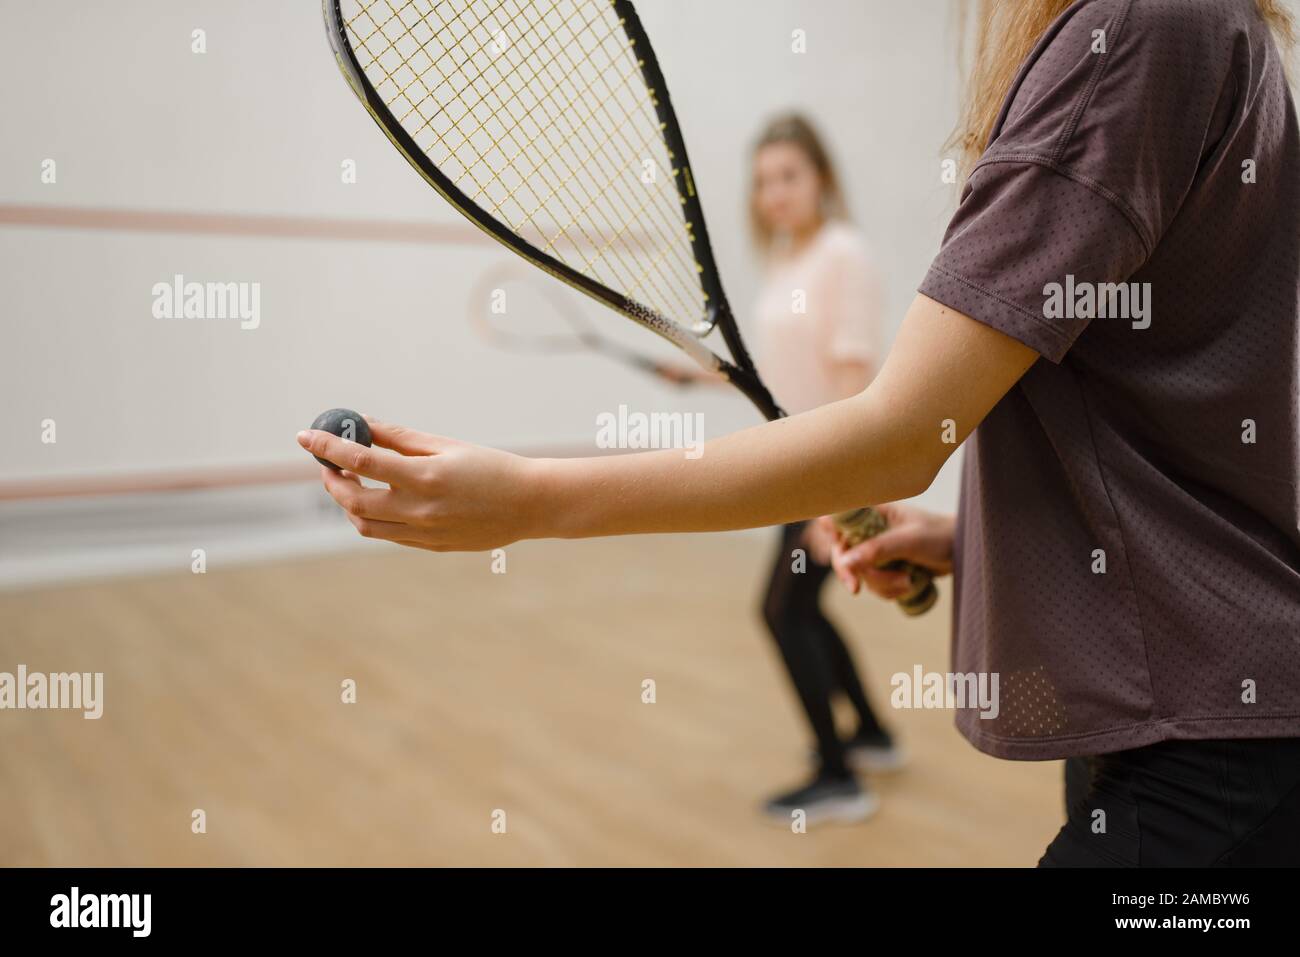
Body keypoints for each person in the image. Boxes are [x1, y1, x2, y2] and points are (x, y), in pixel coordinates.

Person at [299, 0, 1300, 865]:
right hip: (1197, 709)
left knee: (787, 613)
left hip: (1212, 736)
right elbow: (1179, 415)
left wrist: (529, 501)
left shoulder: (1135, 31)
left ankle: (842, 756)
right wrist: (971, 540)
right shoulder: (1207, 30)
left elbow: (899, 432)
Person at [745, 114, 901, 825]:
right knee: (801, 607)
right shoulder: (787, 258)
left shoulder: (843, 254)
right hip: (791, 469)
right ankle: (871, 733)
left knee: (781, 611)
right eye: (762, 182)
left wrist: (834, 498)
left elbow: (851, 380)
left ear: (822, 178)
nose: (774, 193)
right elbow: (778, 368)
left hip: (826, 473)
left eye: (788, 176)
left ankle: (838, 776)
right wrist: (694, 378)